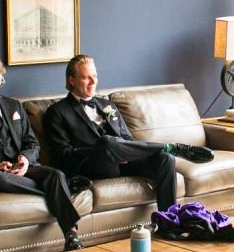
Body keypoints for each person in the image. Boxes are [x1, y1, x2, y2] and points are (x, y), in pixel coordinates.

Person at [0, 50, 85, 250]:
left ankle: (71, 234)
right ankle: (60, 189)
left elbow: (33, 143)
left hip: (22, 169)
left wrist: (25, 160)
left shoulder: (13, 106)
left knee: (55, 174)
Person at [43, 54, 213, 211]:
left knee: (165, 159)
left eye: (94, 76)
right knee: (107, 142)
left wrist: (124, 151)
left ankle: (168, 218)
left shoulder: (107, 105)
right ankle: (168, 147)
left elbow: (126, 138)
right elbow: (63, 155)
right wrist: (104, 150)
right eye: (86, 77)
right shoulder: (57, 112)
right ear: (72, 80)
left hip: (123, 162)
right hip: (93, 166)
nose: (93, 81)